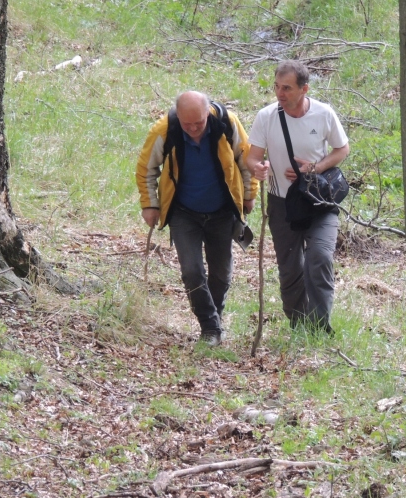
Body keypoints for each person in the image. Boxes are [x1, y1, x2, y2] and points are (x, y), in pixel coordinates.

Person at [136, 91, 257, 346]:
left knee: (221, 274)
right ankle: (210, 328)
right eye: (186, 124)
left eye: (198, 123)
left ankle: (214, 319)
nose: (192, 129)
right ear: (177, 116)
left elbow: (248, 162)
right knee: (192, 272)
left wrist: (249, 195)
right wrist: (150, 205)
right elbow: (146, 168)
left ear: (208, 113)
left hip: (222, 211)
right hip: (183, 212)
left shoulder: (227, 123)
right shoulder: (165, 129)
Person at [246, 60, 350, 333]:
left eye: (287, 88)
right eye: (277, 87)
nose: (280, 93)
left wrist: (314, 168)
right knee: (290, 268)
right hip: (282, 204)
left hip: (318, 200)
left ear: (305, 89)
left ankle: (319, 326)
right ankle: (298, 324)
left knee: (319, 256)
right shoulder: (266, 116)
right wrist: (258, 168)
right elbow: (253, 157)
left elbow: (342, 149)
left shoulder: (323, 114)